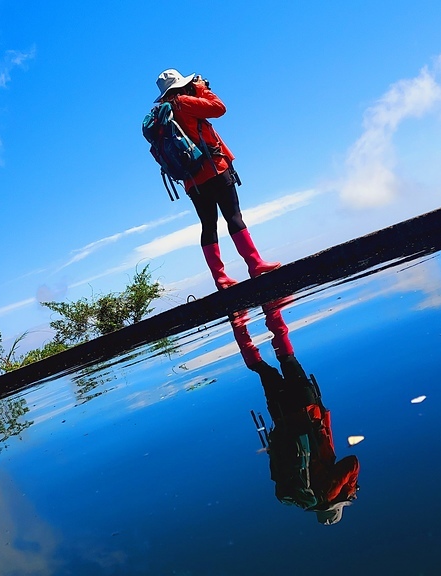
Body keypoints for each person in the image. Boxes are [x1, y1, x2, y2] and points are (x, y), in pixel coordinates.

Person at [231, 300, 360, 525]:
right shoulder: (297, 495)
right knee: (262, 369)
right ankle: (237, 322)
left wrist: (349, 489)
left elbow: (352, 463)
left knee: (287, 359)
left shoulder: (328, 493)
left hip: (308, 413)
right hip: (282, 418)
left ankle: (271, 310)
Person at [153, 69, 280, 290]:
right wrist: (202, 89)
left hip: (191, 180)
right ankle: (255, 264)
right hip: (214, 169)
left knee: (208, 225)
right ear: (179, 87)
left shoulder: (161, 114)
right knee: (233, 216)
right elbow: (219, 109)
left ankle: (220, 278)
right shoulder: (183, 101)